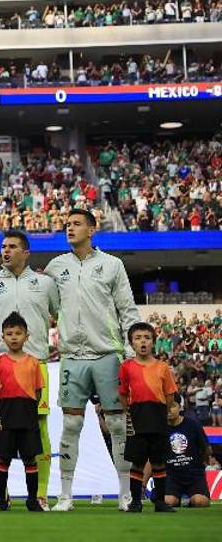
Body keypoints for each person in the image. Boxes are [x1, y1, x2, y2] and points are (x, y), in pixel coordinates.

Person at [47, 209, 140, 511]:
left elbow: (127, 309)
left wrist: (132, 351)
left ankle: (125, 494)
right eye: (67, 225)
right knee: (71, 425)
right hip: (72, 357)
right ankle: (65, 495)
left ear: (91, 229)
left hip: (108, 355)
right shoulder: (56, 266)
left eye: (76, 224)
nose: (70, 229)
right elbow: (43, 303)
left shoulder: (112, 265)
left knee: (116, 424)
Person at [0, 230, 59, 506]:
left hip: (36, 364)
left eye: (12, 246)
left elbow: (62, 314)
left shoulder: (45, 283)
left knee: (39, 429)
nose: (6, 251)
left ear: (26, 252)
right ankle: (2, 496)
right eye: (3, 246)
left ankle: (41, 494)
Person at [0, 312, 45, 512]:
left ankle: (32, 500)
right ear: (2, 337)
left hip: (28, 412)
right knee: (3, 457)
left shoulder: (33, 362)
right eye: (9, 333)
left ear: (26, 336)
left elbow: (38, 391)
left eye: (18, 333)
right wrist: (5, 408)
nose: (14, 337)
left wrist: (27, 407)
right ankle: (0, 500)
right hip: (6, 412)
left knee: (30, 457)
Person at [119, 322, 178, 513]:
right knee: (137, 462)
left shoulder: (162, 367)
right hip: (136, 417)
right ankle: (136, 502)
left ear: (153, 342)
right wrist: (129, 411)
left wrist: (162, 411)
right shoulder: (126, 367)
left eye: (147, 338)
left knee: (159, 462)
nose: (142, 341)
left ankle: (159, 502)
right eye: (138, 338)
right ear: (131, 343)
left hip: (158, 418)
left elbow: (170, 394)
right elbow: (122, 394)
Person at [165, 393, 212, 508]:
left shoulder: (193, 425)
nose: (169, 410)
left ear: (180, 407)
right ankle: (176, 499)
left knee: (201, 502)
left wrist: (201, 462)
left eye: (173, 406)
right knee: (168, 502)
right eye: (166, 406)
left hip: (194, 475)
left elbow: (207, 448)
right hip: (171, 475)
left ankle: (188, 502)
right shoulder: (160, 428)